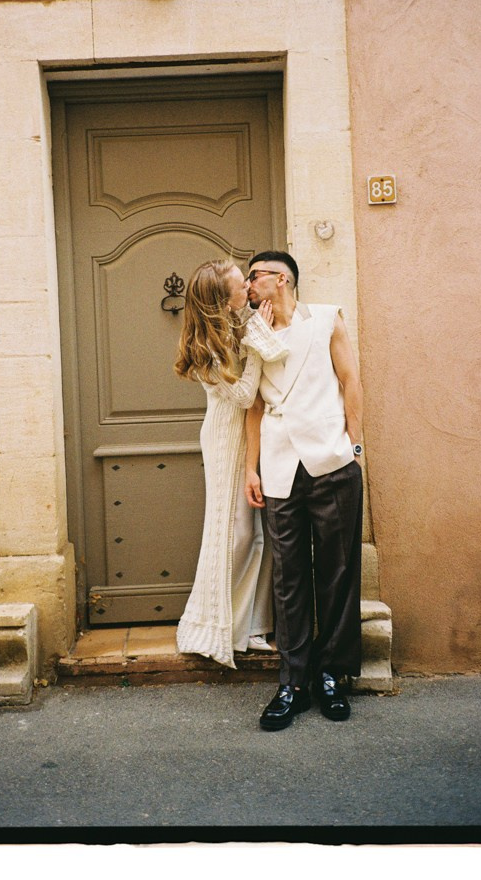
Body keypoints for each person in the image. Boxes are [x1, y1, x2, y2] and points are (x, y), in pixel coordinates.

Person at [244, 251, 364, 730]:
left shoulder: (326, 319)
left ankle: (333, 674)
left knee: (337, 571)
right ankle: (292, 683)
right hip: (278, 466)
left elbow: (350, 380)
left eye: (255, 276)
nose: (249, 284)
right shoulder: (250, 333)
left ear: (281, 279)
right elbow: (252, 405)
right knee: (287, 576)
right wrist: (250, 468)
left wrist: (355, 445)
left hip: (331, 461)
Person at [174, 258, 288, 668]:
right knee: (235, 533)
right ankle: (216, 625)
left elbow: (277, 354)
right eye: (242, 285)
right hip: (225, 440)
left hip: (254, 438)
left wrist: (256, 335)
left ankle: (252, 626)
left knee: (259, 535)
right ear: (223, 300)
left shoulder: (241, 324)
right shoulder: (204, 346)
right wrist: (256, 343)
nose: (249, 289)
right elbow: (241, 396)